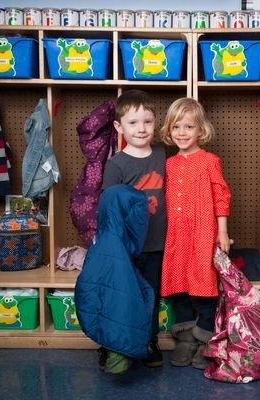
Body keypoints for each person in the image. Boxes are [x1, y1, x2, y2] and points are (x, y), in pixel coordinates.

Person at [159, 97, 231, 369]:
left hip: (202, 231)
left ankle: (205, 342)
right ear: (168, 129)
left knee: (204, 288)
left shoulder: (209, 161)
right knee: (178, 287)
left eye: (188, 127)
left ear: (201, 130)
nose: (181, 133)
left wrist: (222, 232)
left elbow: (220, 196)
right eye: (176, 127)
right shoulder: (168, 164)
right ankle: (186, 341)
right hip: (175, 234)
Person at [100, 89, 166, 371]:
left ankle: (149, 341)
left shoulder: (164, 155)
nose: (141, 129)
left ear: (155, 123)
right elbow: (110, 210)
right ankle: (111, 344)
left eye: (148, 122)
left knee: (151, 296)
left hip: (156, 245)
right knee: (120, 295)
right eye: (133, 122)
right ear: (119, 127)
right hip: (126, 248)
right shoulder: (116, 165)